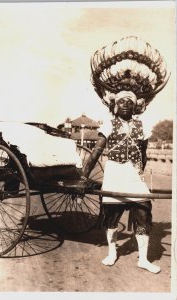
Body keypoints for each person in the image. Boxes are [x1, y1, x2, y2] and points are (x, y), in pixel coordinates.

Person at [82, 36, 170, 274]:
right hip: (114, 174)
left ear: (135, 105)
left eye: (129, 102)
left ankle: (143, 258)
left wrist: (141, 171)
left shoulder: (142, 126)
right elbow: (98, 150)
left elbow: (142, 152)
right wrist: (84, 175)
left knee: (143, 211)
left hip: (134, 177)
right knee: (111, 217)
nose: (125, 105)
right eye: (121, 102)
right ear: (114, 105)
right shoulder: (109, 125)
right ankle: (112, 253)